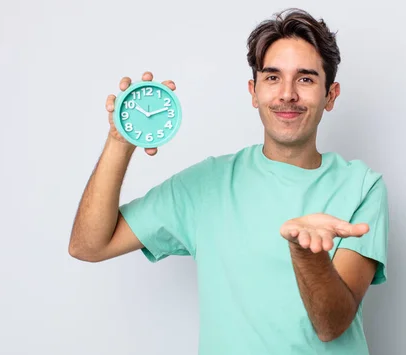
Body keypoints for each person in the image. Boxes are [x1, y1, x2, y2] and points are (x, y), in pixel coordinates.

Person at [69, 7, 389, 355]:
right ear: (253, 91)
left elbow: (331, 325)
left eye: (306, 79)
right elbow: (88, 245)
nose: (287, 94)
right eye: (272, 77)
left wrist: (305, 252)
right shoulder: (206, 185)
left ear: (331, 95)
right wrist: (120, 141)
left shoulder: (362, 187)